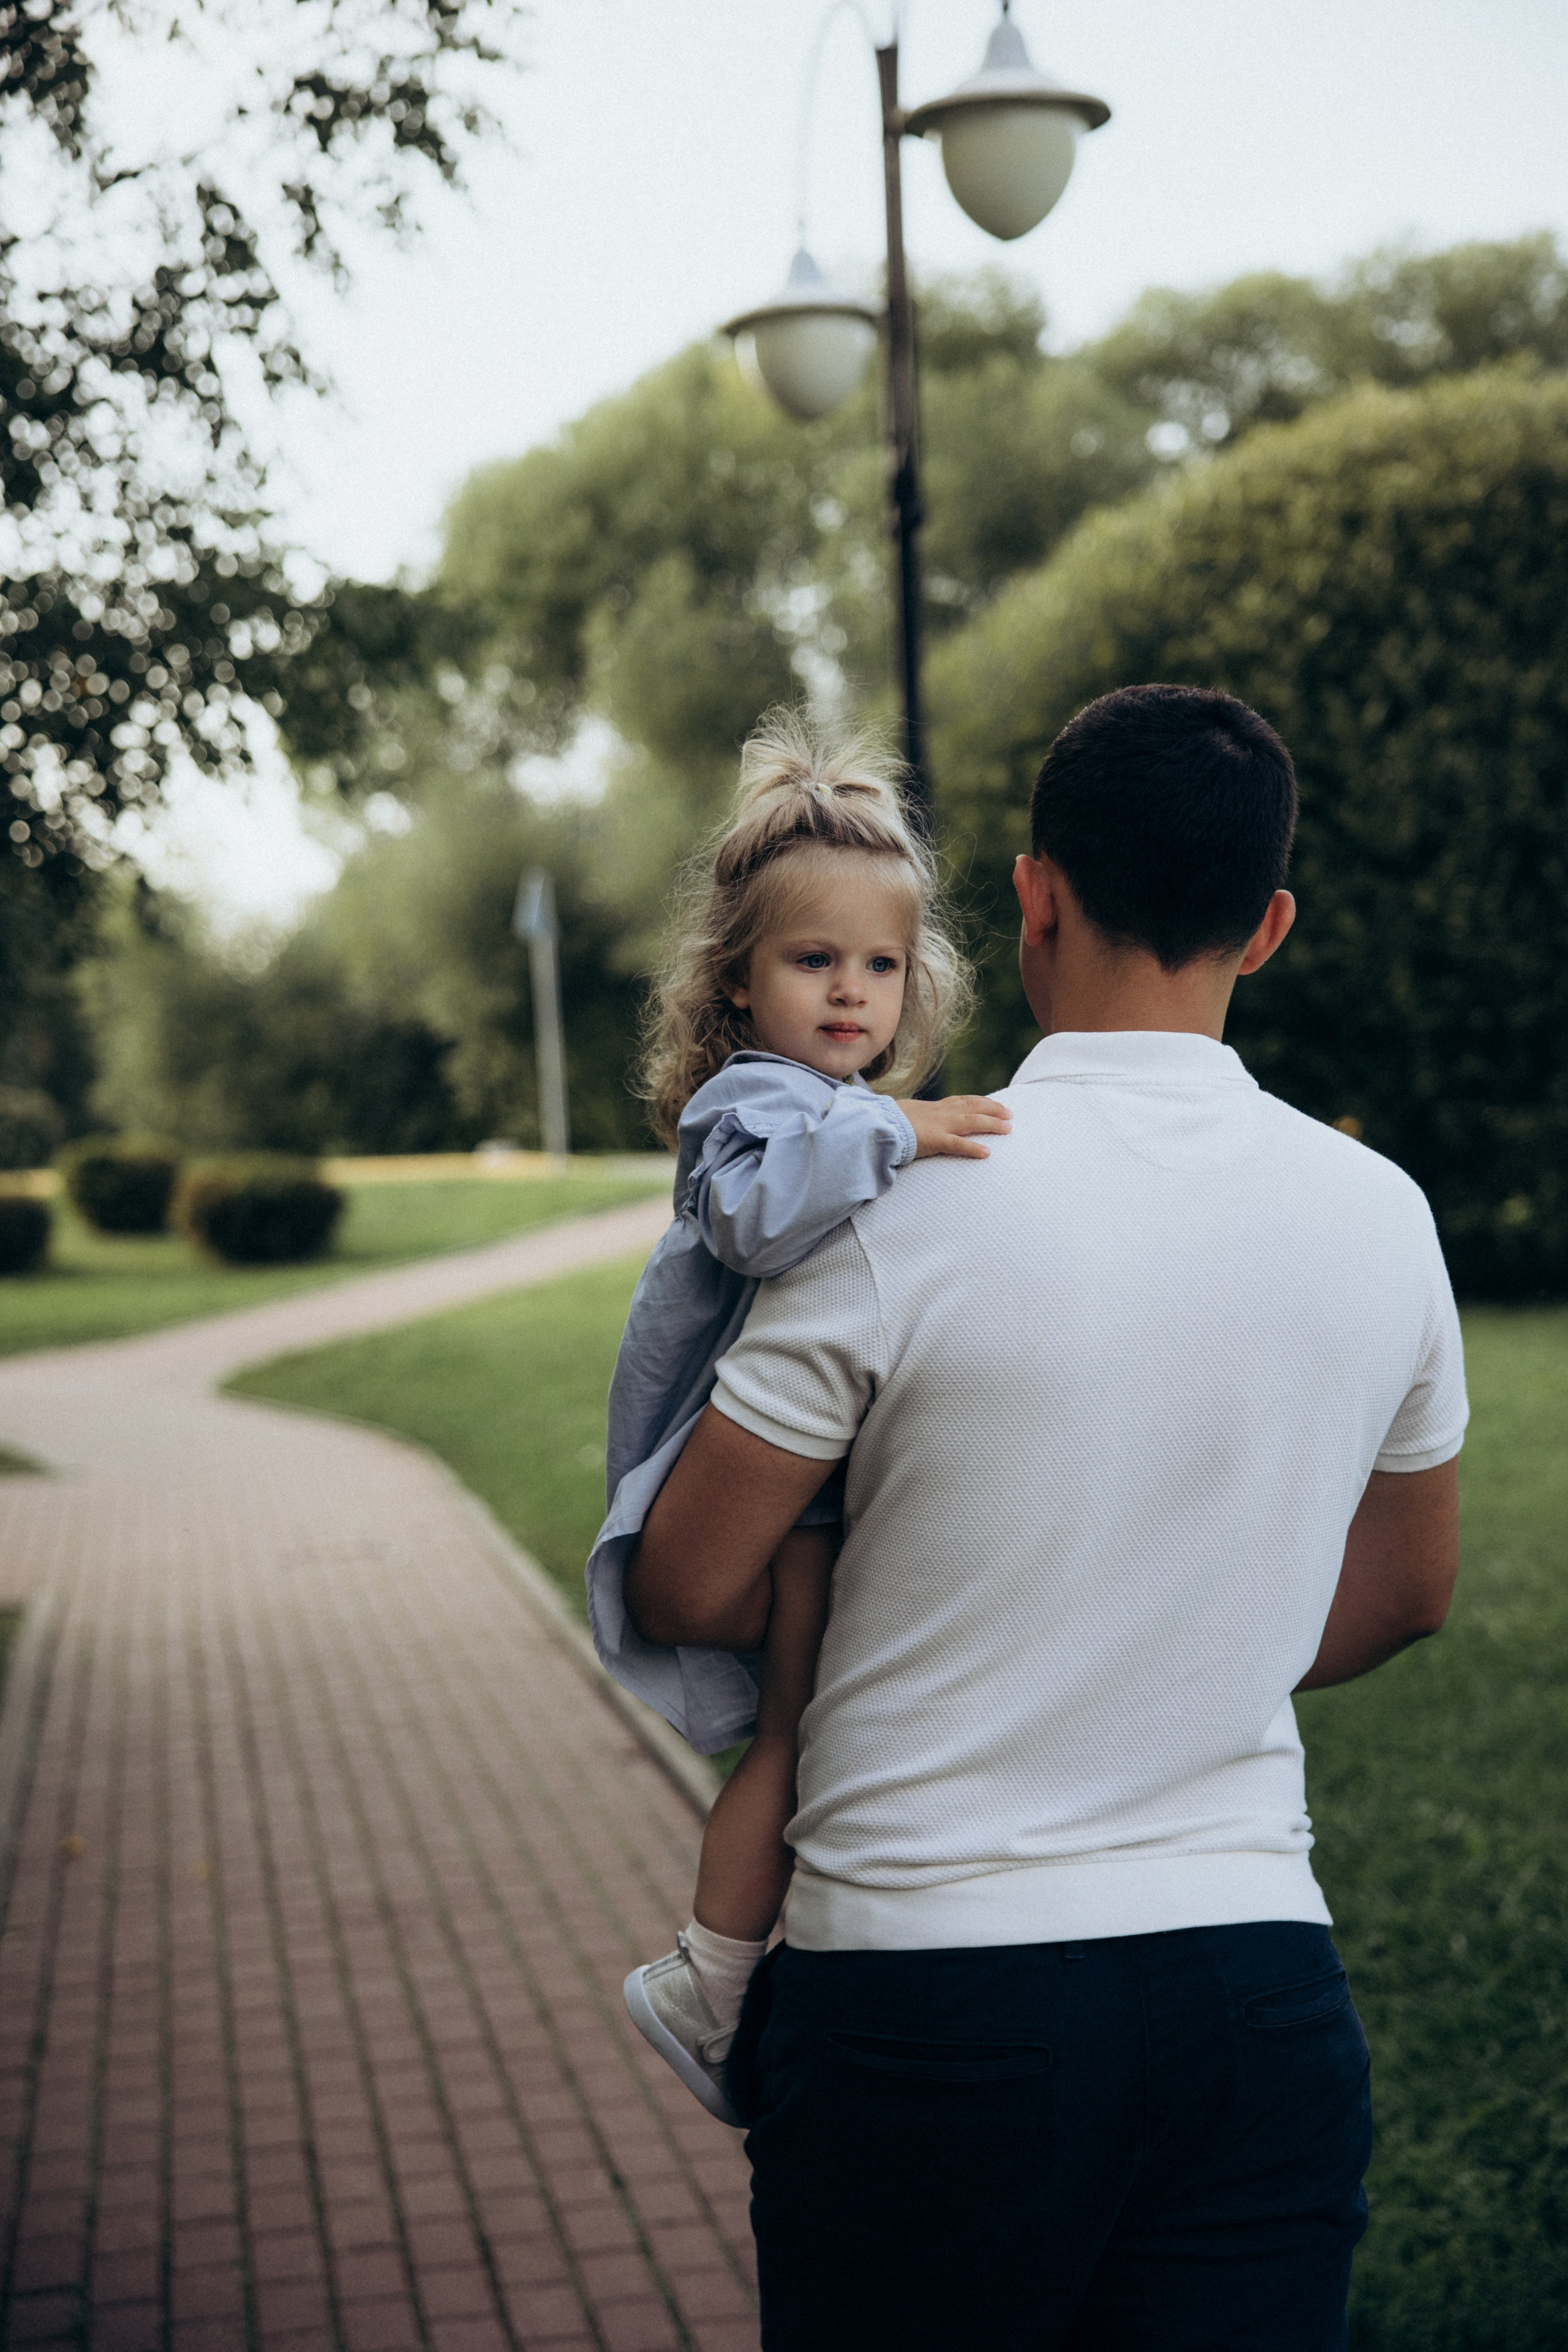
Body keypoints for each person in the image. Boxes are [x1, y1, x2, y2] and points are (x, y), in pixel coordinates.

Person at [625, 684, 1468, 2351]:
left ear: (1032, 898)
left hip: (925, 2002)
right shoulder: (1383, 1218)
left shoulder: (895, 1204)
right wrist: (1165, 1644)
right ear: (1269, 926)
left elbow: (688, 1586)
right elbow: (1408, 1590)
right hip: (1256, 1995)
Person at [586, 710, 1003, 2124]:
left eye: (877, 965)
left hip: (812, 1478)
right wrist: (903, 1129)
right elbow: (759, 1224)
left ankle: (739, 1972)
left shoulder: (836, 1104)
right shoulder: (748, 1106)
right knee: (799, 1732)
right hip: (746, 1474)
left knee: (817, 1727)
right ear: (736, 979)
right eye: (811, 960)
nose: (848, 992)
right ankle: (708, 1983)